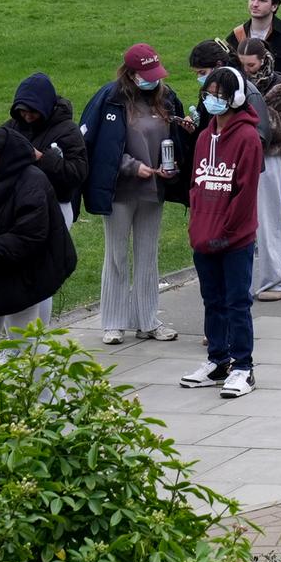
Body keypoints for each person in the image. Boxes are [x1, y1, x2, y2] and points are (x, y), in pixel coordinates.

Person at [80, 44, 185, 345]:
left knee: (148, 255)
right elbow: (98, 146)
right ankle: (113, 323)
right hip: (120, 190)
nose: (153, 80)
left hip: (154, 188)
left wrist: (173, 166)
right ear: (130, 73)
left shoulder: (167, 98)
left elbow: (175, 140)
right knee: (117, 255)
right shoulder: (109, 99)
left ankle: (147, 320)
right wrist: (131, 166)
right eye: (146, 75)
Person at [178, 66, 263, 398]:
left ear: (236, 97)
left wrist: (225, 231)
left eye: (220, 95)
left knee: (237, 302)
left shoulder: (247, 138)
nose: (212, 100)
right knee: (212, 300)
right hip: (204, 236)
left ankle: (243, 367)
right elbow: (196, 185)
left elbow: (245, 193)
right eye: (209, 94)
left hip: (234, 238)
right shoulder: (203, 137)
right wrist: (198, 227)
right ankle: (217, 360)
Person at [0, 126, 77, 365]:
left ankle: (42, 389)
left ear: (3, 158)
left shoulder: (32, 181)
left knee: (26, 342)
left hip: (22, 274)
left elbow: (31, 232)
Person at [236, 37, 281, 300]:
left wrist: (256, 111)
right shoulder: (239, 82)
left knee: (270, 217)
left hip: (271, 156)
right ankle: (251, 280)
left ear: (263, 60)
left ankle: (278, 280)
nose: (246, 70)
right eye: (242, 65)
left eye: (251, 65)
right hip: (243, 154)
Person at [2, 73, 88, 226]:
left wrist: (43, 158)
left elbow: (78, 172)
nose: (27, 117)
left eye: (33, 112)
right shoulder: (13, 125)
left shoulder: (68, 130)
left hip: (55, 204)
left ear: (45, 107)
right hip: (18, 202)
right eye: (23, 111)